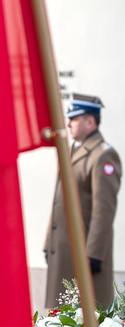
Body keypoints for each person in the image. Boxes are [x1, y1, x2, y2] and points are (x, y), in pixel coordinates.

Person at [44, 94, 121, 308]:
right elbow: (59, 199)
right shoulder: (74, 150)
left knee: (86, 320)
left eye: (75, 119)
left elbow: (103, 210)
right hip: (65, 249)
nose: (69, 123)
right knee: (63, 317)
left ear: (90, 121)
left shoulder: (103, 155)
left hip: (84, 253)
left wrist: (94, 254)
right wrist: (48, 242)